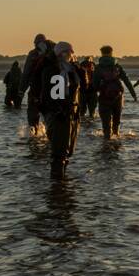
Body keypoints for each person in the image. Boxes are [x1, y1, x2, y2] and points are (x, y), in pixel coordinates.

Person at [38, 41, 83, 179]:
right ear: (60, 53)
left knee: (67, 149)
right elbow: (52, 95)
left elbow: (84, 86)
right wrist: (59, 110)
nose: (71, 55)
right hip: (59, 115)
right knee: (59, 151)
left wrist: (80, 70)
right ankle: (58, 182)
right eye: (68, 52)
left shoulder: (71, 69)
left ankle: (61, 181)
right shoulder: (53, 70)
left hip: (71, 113)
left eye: (71, 53)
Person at [93, 44, 138, 138]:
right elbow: (126, 81)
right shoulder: (117, 66)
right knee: (116, 122)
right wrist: (133, 94)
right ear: (111, 53)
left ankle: (106, 143)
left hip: (104, 98)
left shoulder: (98, 67)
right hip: (117, 97)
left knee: (106, 124)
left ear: (101, 53)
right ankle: (116, 143)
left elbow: (95, 85)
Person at [21, 34, 53, 132]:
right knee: (50, 116)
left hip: (36, 90)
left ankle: (34, 135)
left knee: (32, 116)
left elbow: (27, 72)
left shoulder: (33, 54)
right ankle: (50, 137)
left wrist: (21, 90)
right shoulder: (54, 53)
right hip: (51, 91)